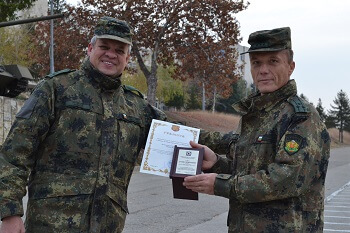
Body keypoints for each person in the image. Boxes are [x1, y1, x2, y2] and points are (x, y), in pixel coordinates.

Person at [0, 16, 167, 233]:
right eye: (104, 46)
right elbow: (15, 155)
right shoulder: (56, 90)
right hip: (50, 225)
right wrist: (10, 213)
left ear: (127, 58)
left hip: (108, 226)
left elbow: (180, 136)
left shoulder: (137, 107)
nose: (110, 54)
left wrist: (225, 145)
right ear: (90, 48)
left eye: (119, 50)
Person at [184, 27, 330, 232]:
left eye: (273, 61)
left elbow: (287, 178)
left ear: (290, 66)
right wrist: (216, 163)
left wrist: (220, 184)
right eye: (257, 63)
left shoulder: (301, 117)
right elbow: (250, 171)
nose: (263, 70)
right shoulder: (257, 115)